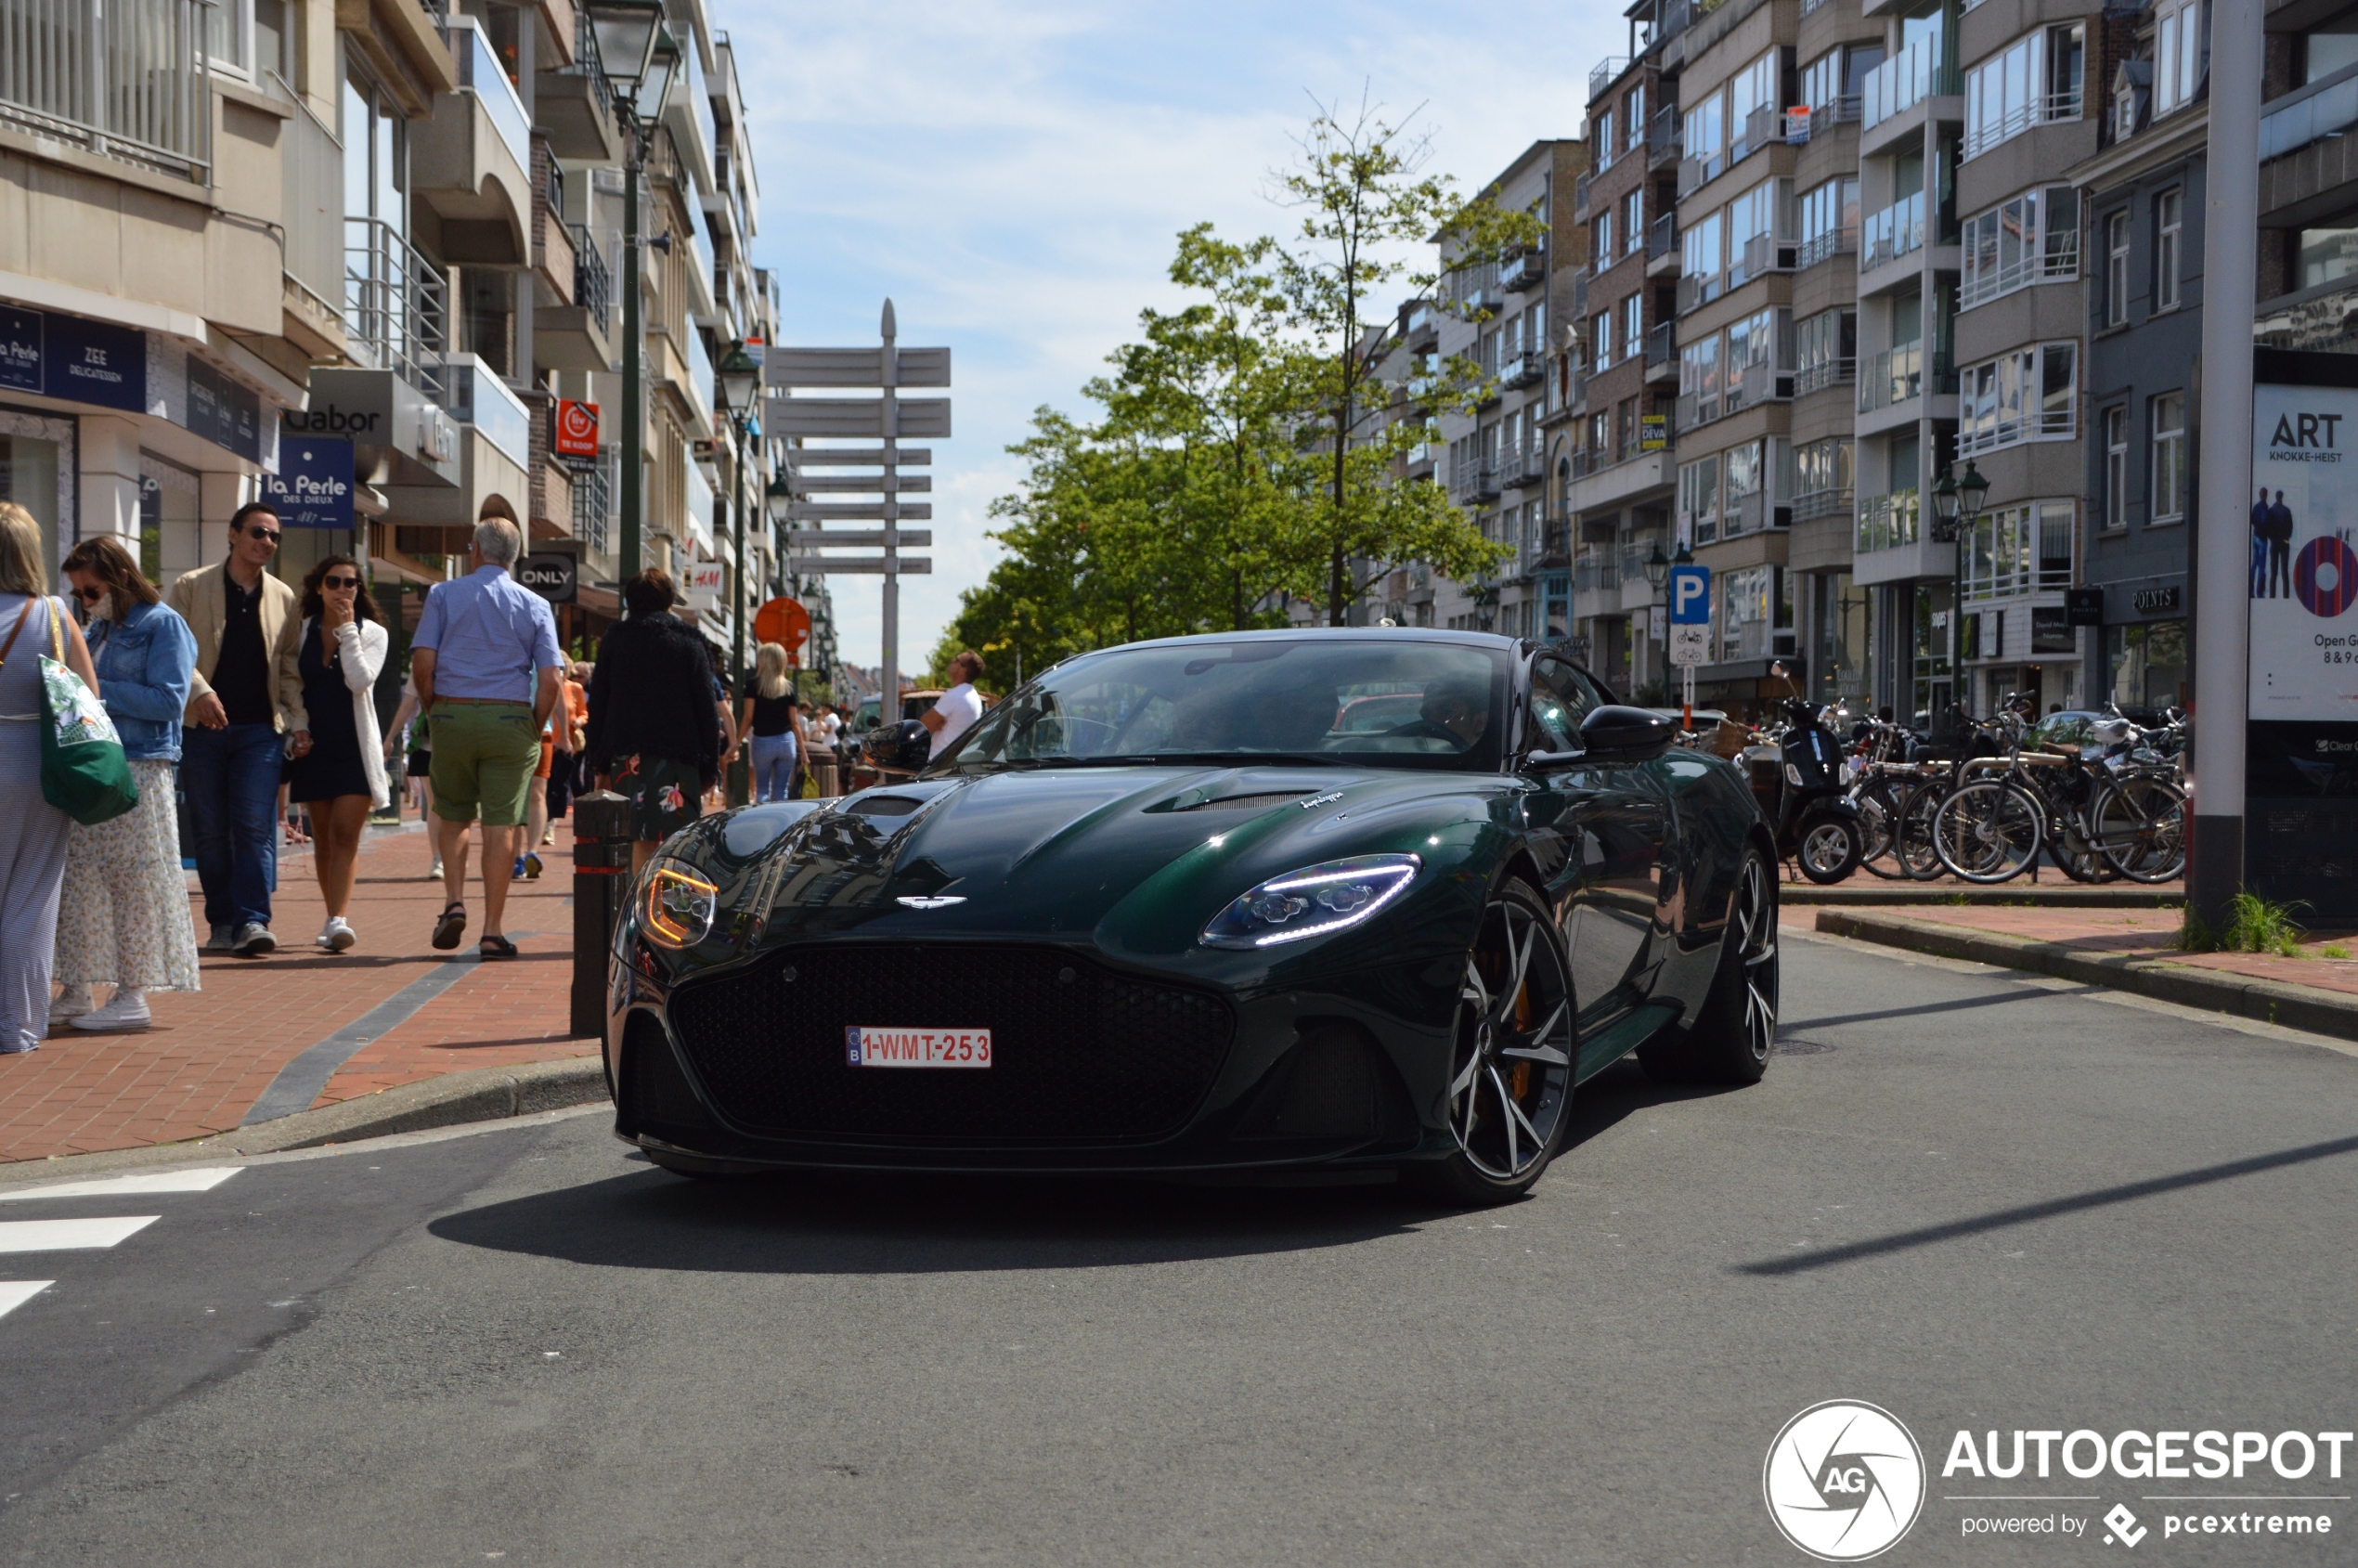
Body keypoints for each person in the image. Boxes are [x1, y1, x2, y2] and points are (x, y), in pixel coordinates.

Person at [48, 538, 201, 1031]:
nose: (85, 602)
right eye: (78, 595)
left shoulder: (163, 624)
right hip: (98, 765)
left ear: (116, 577)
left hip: (139, 766)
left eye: (90, 591)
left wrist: (91, 687)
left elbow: (168, 701)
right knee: (80, 881)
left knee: (132, 882)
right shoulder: (100, 630)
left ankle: (132, 993)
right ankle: (76, 988)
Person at [410, 514, 564, 960]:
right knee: (502, 826)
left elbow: (423, 664)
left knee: (453, 812)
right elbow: (550, 679)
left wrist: (435, 709)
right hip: (510, 717)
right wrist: (533, 726)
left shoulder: (442, 594)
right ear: (514, 557)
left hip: (453, 713)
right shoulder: (535, 604)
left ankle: (453, 900)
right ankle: (492, 931)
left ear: (475, 550)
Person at [167, 501, 308, 957]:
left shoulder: (284, 597)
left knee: (252, 827)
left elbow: (288, 669)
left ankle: (252, 919)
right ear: (233, 535)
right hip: (201, 728)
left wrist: (297, 721)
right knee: (209, 831)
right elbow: (174, 653)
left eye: (273, 536)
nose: (266, 542)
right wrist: (201, 693)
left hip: (258, 731)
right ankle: (222, 920)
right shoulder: (191, 587)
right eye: (258, 533)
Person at [0, 504, 104, 1053]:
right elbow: (88, 698)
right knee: (32, 898)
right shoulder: (53, 615)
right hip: (39, 771)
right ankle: (16, 1027)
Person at [586, 568, 721, 873]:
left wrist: (599, 762)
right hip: (679, 758)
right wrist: (710, 766)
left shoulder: (615, 639)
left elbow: (600, 704)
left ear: (630, 601)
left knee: (639, 838)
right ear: (669, 600)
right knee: (679, 839)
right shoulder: (690, 642)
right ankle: (673, 907)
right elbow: (707, 710)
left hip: (627, 756)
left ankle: (642, 904)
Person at [286, 556, 390, 952]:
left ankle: (338, 919)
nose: (343, 589)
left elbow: (359, 679)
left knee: (346, 833)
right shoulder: (304, 630)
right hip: (315, 746)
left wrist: (348, 630)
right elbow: (292, 682)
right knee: (324, 839)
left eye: (351, 583)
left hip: (354, 747)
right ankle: (330, 916)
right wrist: (297, 726)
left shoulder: (372, 633)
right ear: (319, 587)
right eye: (334, 581)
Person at [382, 676, 443, 878]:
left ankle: (454, 853)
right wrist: (390, 738)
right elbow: (408, 702)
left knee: (457, 803)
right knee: (435, 802)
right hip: (427, 742)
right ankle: (438, 858)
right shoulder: (422, 659)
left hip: (459, 741)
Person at [740, 642, 801, 802]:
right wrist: (803, 750)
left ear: (762, 660)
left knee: (762, 791)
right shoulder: (789, 687)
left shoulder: (753, 685)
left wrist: (737, 742)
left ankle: (763, 825)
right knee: (782, 792)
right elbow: (794, 722)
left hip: (763, 741)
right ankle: (783, 826)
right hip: (786, 741)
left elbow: (748, 718)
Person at [923, 650, 986, 758]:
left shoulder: (956, 695)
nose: (952, 660)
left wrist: (937, 722)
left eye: (957, 660)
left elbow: (923, 725)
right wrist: (937, 722)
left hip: (939, 763)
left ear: (963, 670)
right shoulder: (973, 695)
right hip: (952, 762)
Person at [2266, 489, 2295, 600]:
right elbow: (2290, 528)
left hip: (2274, 543)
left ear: (2276, 497)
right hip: (2284, 543)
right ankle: (2286, 596)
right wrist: (2286, 539)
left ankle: (2272, 595)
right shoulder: (2286, 511)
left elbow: (2268, 528)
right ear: (2282, 497)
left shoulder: (2271, 511)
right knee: (2284, 571)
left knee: (2273, 572)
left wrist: (2272, 538)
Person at [2253, 487, 2274, 600]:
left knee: (2254, 565)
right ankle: (2259, 592)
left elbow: (2252, 520)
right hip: (2262, 539)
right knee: (2261, 567)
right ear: (2265, 495)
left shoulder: (2255, 507)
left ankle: (2251, 590)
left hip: (2255, 536)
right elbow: (2265, 522)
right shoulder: (2265, 508)